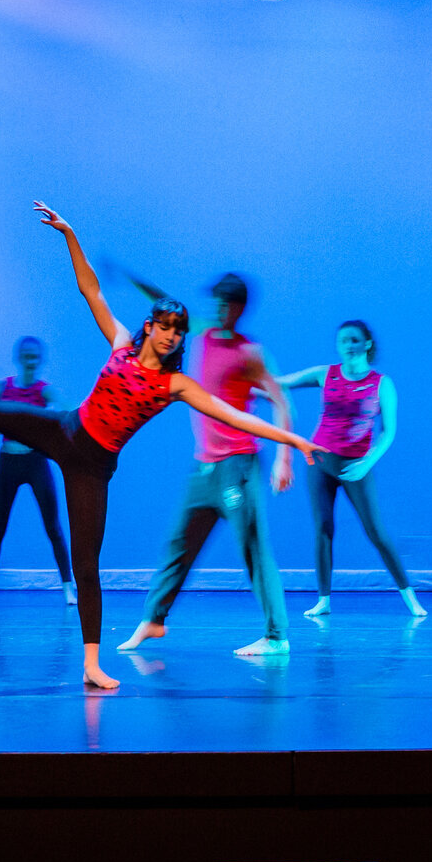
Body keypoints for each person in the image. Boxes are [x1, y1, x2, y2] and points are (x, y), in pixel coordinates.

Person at [0, 202, 323, 691]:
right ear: (151, 326)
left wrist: (291, 438)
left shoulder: (175, 386)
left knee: (88, 563)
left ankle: (91, 664)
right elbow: (91, 290)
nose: (171, 336)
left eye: (179, 332)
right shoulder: (122, 343)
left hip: (94, 467)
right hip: (65, 431)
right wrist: (69, 235)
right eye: (166, 326)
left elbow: (232, 414)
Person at [119, 272, 297, 660]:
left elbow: (282, 401)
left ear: (238, 308)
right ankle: (153, 619)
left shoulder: (249, 352)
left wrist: (284, 457)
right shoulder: (201, 333)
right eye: (214, 300)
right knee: (178, 544)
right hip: (204, 467)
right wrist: (133, 280)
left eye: (224, 302)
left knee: (253, 548)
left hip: (239, 465)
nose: (216, 308)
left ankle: (276, 635)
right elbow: (164, 296)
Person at [275, 320, 424, 618]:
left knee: (376, 531)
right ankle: (324, 600)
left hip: (357, 465)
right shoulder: (325, 374)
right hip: (320, 462)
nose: (348, 346)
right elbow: (283, 382)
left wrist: (366, 463)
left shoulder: (382, 383)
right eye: (343, 341)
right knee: (323, 528)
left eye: (354, 340)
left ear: (367, 343)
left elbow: (388, 432)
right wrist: (250, 379)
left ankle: (411, 599)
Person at [0, 336, 75, 606]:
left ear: (40, 361)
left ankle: (68, 588)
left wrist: (45, 432)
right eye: (26, 356)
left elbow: (69, 413)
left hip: (35, 462)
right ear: (19, 358)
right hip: (8, 463)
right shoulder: (1, 388)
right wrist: (13, 425)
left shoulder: (44, 390)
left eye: (35, 358)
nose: (30, 362)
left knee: (53, 526)